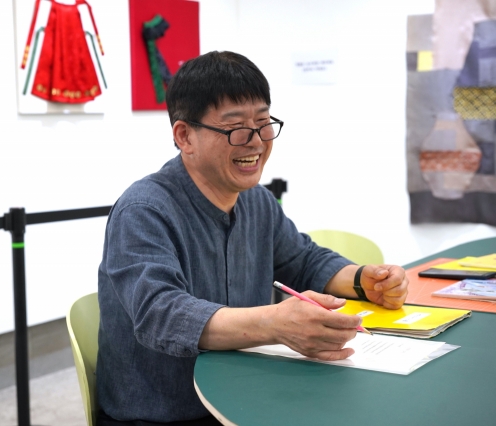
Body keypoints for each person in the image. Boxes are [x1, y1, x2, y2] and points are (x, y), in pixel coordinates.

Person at [96, 51, 408, 425]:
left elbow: (303, 260)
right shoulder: (144, 210)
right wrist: (276, 323)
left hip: (247, 393)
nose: (257, 142)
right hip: (166, 413)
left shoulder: (256, 200)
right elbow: (161, 314)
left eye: (263, 123)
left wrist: (364, 280)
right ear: (184, 136)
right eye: (236, 129)